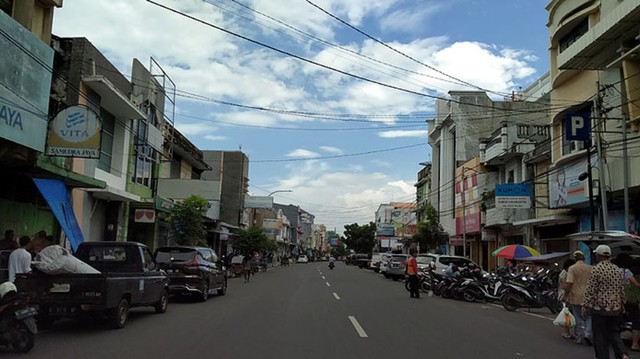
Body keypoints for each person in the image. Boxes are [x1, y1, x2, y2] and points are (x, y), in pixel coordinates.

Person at [582, 245, 628, 359]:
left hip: (600, 309)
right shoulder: (617, 269)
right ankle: (623, 354)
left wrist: (585, 305)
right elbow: (621, 289)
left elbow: (590, 290)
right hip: (616, 309)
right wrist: (622, 304)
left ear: (599, 255)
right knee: (614, 332)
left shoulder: (596, 269)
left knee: (600, 336)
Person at [613, 253, 640, 352]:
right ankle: (635, 344)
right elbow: (636, 284)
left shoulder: (614, 271)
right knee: (636, 320)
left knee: (617, 320)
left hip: (616, 299)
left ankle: (614, 340)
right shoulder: (626, 271)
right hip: (628, 299)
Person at [566, 250, 593, 345]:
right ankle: (588, 333)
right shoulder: (590, 268)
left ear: (575, 258)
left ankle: (578, 337)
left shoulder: (572, 268)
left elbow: (569, 282)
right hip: (588, 296)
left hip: (576, 296)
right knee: (589, 316)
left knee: (578, 317)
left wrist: (566, 294)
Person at [559, 258, 577, 340]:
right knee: (567, 314)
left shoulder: (567, 272)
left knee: (568, 314)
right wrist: (565, 295)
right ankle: (566, 332)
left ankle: (566, 332)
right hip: (565, 295)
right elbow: (564, 285)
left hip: (567, 295)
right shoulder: (565, 273)